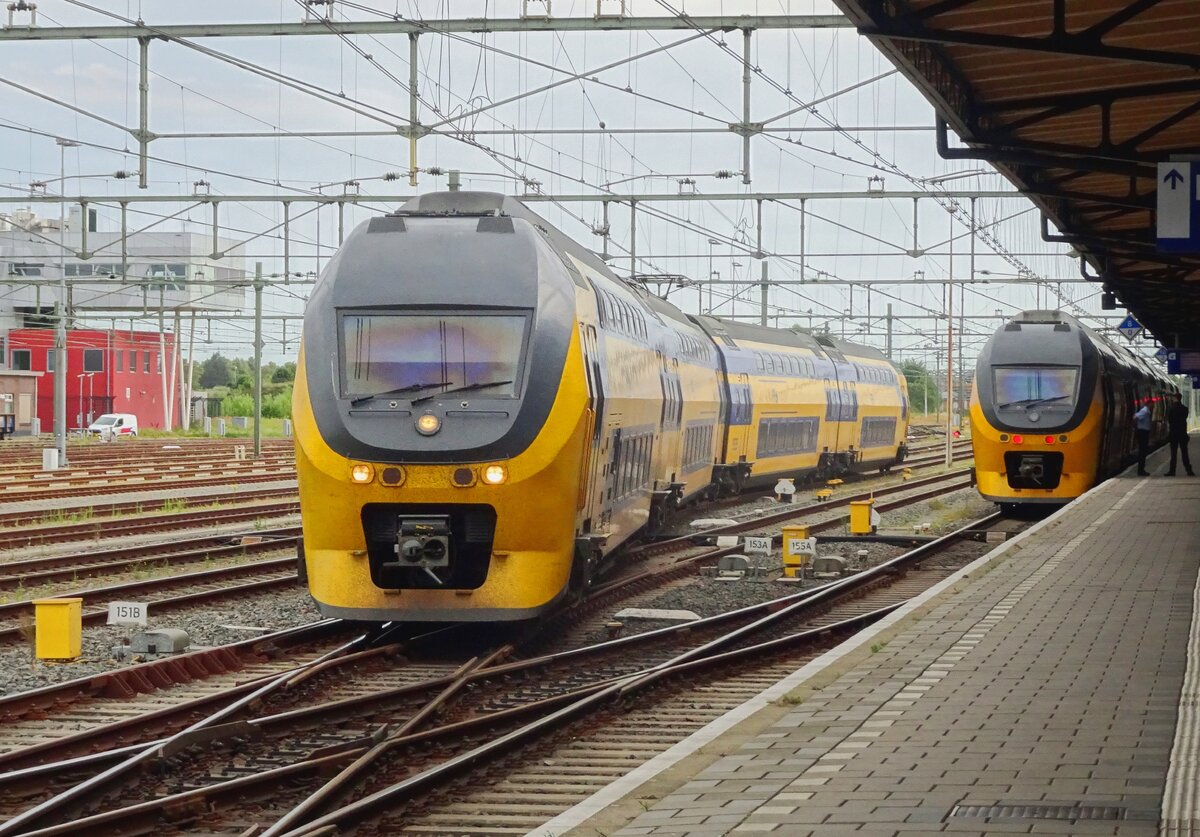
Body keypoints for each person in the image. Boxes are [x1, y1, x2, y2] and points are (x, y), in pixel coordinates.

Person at [1165, 392, 1194, 476]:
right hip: (1182, 434)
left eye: (1173, 398)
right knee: (1184, 453)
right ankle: (1189, 470)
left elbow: (1170, 420)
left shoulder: (1171, 409)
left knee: (1173, 454)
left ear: (1175, 398)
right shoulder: (1185, 409)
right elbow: (1185, 417)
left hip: (1174, 434)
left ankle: (1172, 471)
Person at [1134, 401, 1152, 476]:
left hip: (1144, 432)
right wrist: (1136, 426)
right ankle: (1140, 470)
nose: (1153, 406)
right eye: (1152, 404)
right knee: (1142, 452)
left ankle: (1141, 469)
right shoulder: (1144, 411)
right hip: (1142, 433)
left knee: (1143, 452)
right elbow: (1135, 416)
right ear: (1149, 404)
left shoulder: (1146, 411)